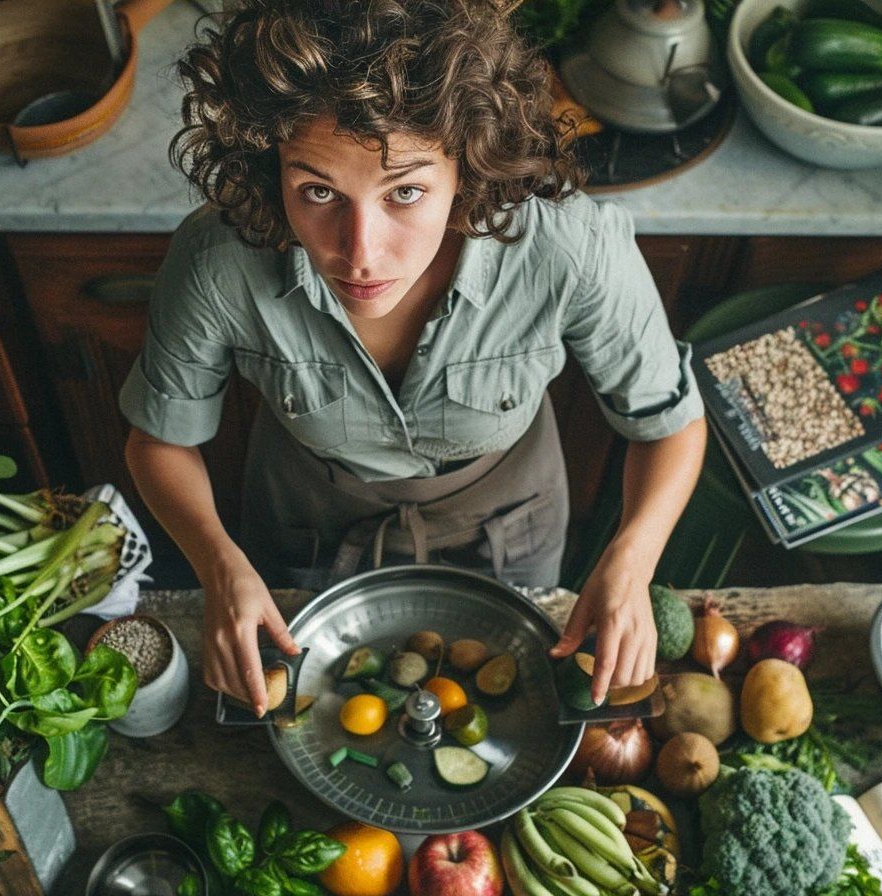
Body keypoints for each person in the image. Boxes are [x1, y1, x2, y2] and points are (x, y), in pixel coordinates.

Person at [120, 0, 707, 719]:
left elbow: (670, 425)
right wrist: (217, 565)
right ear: (267, 164)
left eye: (406, 192)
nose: (360, 252)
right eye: (317, 191)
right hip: (303, 524)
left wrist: (633, 556)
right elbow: (159, 440)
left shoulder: (570, 250)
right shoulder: (217, 263)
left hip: (510, 526)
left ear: (469, 163)